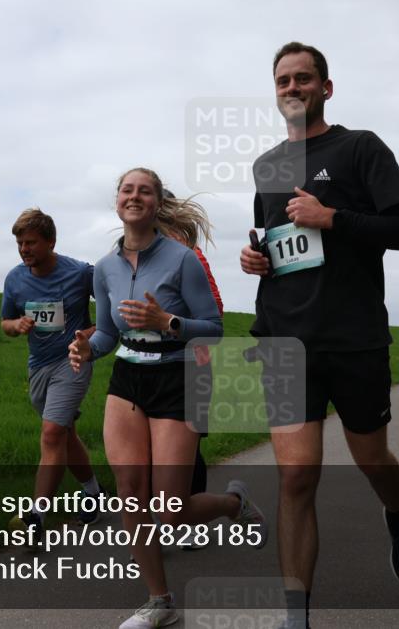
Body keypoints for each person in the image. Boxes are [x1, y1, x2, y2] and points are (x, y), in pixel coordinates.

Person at [239, 42, 399, 629]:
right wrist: (257, 258)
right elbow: (277, 237)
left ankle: (395, 513)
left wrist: (333, 218)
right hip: (285, 340)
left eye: (303, 79)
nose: (291, 88)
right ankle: (297, 617)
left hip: (353, 337)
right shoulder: (266, 165)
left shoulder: (361, 147)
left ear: (326, 87)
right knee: (296, 476)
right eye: (282, 81)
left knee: (371, 459)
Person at [69, 168, 267, 629]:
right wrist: (85, 347)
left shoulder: (183, 260)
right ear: (117, 201)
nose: (134, 196)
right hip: (127, 381)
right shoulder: (104, 267)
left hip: (177, 378)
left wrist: (168, 323)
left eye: (144, 190)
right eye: (126, 189)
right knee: (130, 495)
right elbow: (107, 333)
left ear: (157, 204)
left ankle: (233, 504)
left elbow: (214, 329)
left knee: (170, 511)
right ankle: (160, 602)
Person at [0, 208, 105, 541]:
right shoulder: (15, 278)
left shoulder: (80, 273)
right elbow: (5, 322)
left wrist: (90, 333)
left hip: (72, 361)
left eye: (30, 242)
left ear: (51, 241)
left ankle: (36, 516)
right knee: (64, 434)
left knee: (50, 434)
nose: (24, 249)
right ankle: (93, 491)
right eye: (19, 243)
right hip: (39, 366)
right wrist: (16, 325)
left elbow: (109, 314)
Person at [158, 188, 221, 550]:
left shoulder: (190, 257)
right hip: (150, 368)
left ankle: (188, 522)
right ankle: (164, 524)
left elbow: (216, 313)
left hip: (192, 365)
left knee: (189, 449)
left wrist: (170, 322)